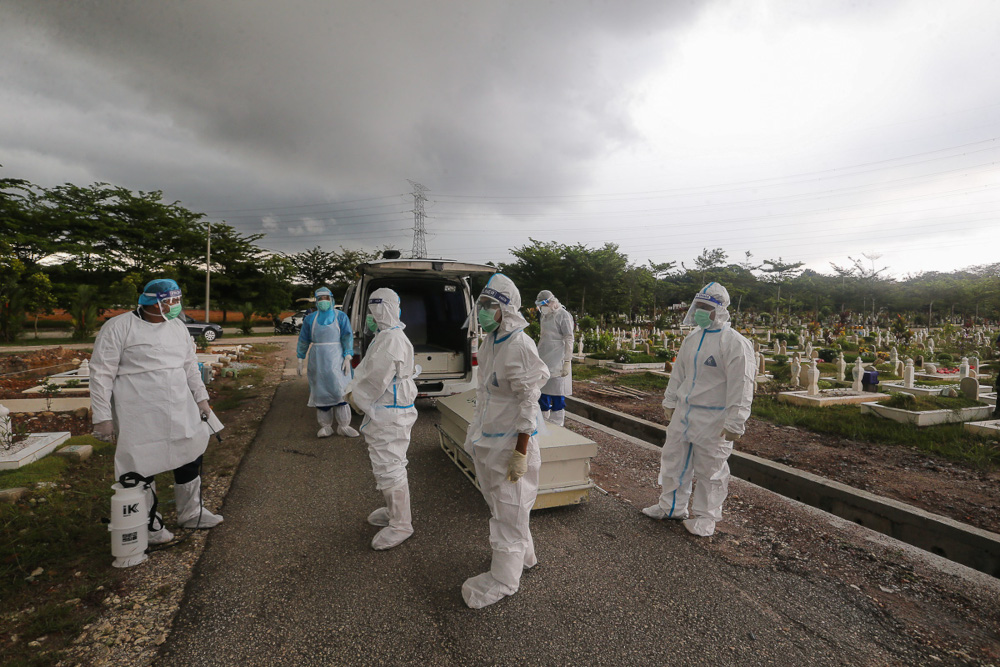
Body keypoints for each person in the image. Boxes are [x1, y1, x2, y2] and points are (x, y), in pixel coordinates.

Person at [90, 278, 223, 545]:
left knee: (190, 454)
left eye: (177, 300)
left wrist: (202, 400)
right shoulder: (118, 327)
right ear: (152, 301)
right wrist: (102, 417)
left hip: (178, 405)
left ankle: (191, 513)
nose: (176, 306)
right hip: (139, 410)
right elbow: (101, 373)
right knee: (140, 464)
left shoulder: (177, 327)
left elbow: (190, 366)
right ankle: (149, 524)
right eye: (170, 301)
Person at [461, 274, 550, 608]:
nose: (483, 311)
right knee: (503, 507)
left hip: (512, 443)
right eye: (481, 304)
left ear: (506, 309)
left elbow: (529, 402)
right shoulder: (492, 341)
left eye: (490, 305)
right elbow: (485, 395)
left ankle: (504, 580)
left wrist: (521, 452)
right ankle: (523, 557)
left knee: (508, 514)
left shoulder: (519, 346)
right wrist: (475, 434)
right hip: (490, 439)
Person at [642, 282, 755, 537]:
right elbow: (678, 373)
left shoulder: (735, 343)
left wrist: (736, 421)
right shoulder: (693, 337)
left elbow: (742, 385)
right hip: (685, 412)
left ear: (721, 309)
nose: (700, 312)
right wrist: (670, 401)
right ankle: (671, 506)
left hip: (714, 417)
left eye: (706, 307)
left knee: (710, 469)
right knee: (673, 461)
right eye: (699, 307)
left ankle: (706, 517)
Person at [345, 288, 418, 550]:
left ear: (379, 309)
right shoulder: (386, 336)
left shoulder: (391, 340)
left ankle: (401, 523)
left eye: (372, 311)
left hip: (390, 413)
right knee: (387, 463)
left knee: (390, 465)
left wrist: (354, 397)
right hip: (389, 409)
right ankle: (393, 511)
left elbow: (374, 379)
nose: (369, 316)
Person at [297, 287, 359, 438]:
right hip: (318, 358)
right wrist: (300, 357)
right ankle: (325, 427)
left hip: (337, 357)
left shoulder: (340, 317)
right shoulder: (310, 319)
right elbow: (304, 339)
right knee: (321, 390)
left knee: (340, 390)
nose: (323, 302)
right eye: (320, 299)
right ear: (316, 301)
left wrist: (347, 355)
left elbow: (346, 336)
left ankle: (344, 426)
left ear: (331, 299)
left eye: (326, 298)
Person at [534, 290, 574, 426]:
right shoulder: (544, 316)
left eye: (543, 305)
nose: (542, 308)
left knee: (557, 392)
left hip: (558, 358)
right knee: (542, 389)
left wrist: (567, 361)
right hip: (545, 356)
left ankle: (557, 423)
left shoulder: (563, 315)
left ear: (552, 302)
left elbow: (569, 338)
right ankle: (544, 419)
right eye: (540, 305)